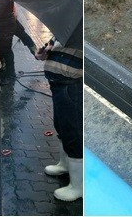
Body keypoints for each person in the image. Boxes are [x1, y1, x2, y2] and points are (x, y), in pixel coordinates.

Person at [35, 37, 83, 201]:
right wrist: (43, 53)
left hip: (72, 85)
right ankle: (65, 165)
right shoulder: (67, 28)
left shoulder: (80, 30)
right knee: (61, 126)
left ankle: (78, 186)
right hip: (57, 84)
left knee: (73, 131)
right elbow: (52, 47)